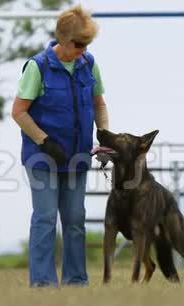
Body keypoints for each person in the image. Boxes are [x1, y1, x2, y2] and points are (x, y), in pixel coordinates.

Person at [11, 5, 109, 288]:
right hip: (43, 158)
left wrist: (103, 137)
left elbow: (99, 105)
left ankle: (76, 280)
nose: (83, 49)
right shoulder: (38, 66)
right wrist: (44, 141)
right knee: (45, 218)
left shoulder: (88, 64)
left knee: (76, 219)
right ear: (63, 39)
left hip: (77, 157)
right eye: (79, 44)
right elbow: (18, 111)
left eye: (86, 44)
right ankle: (43, 283)